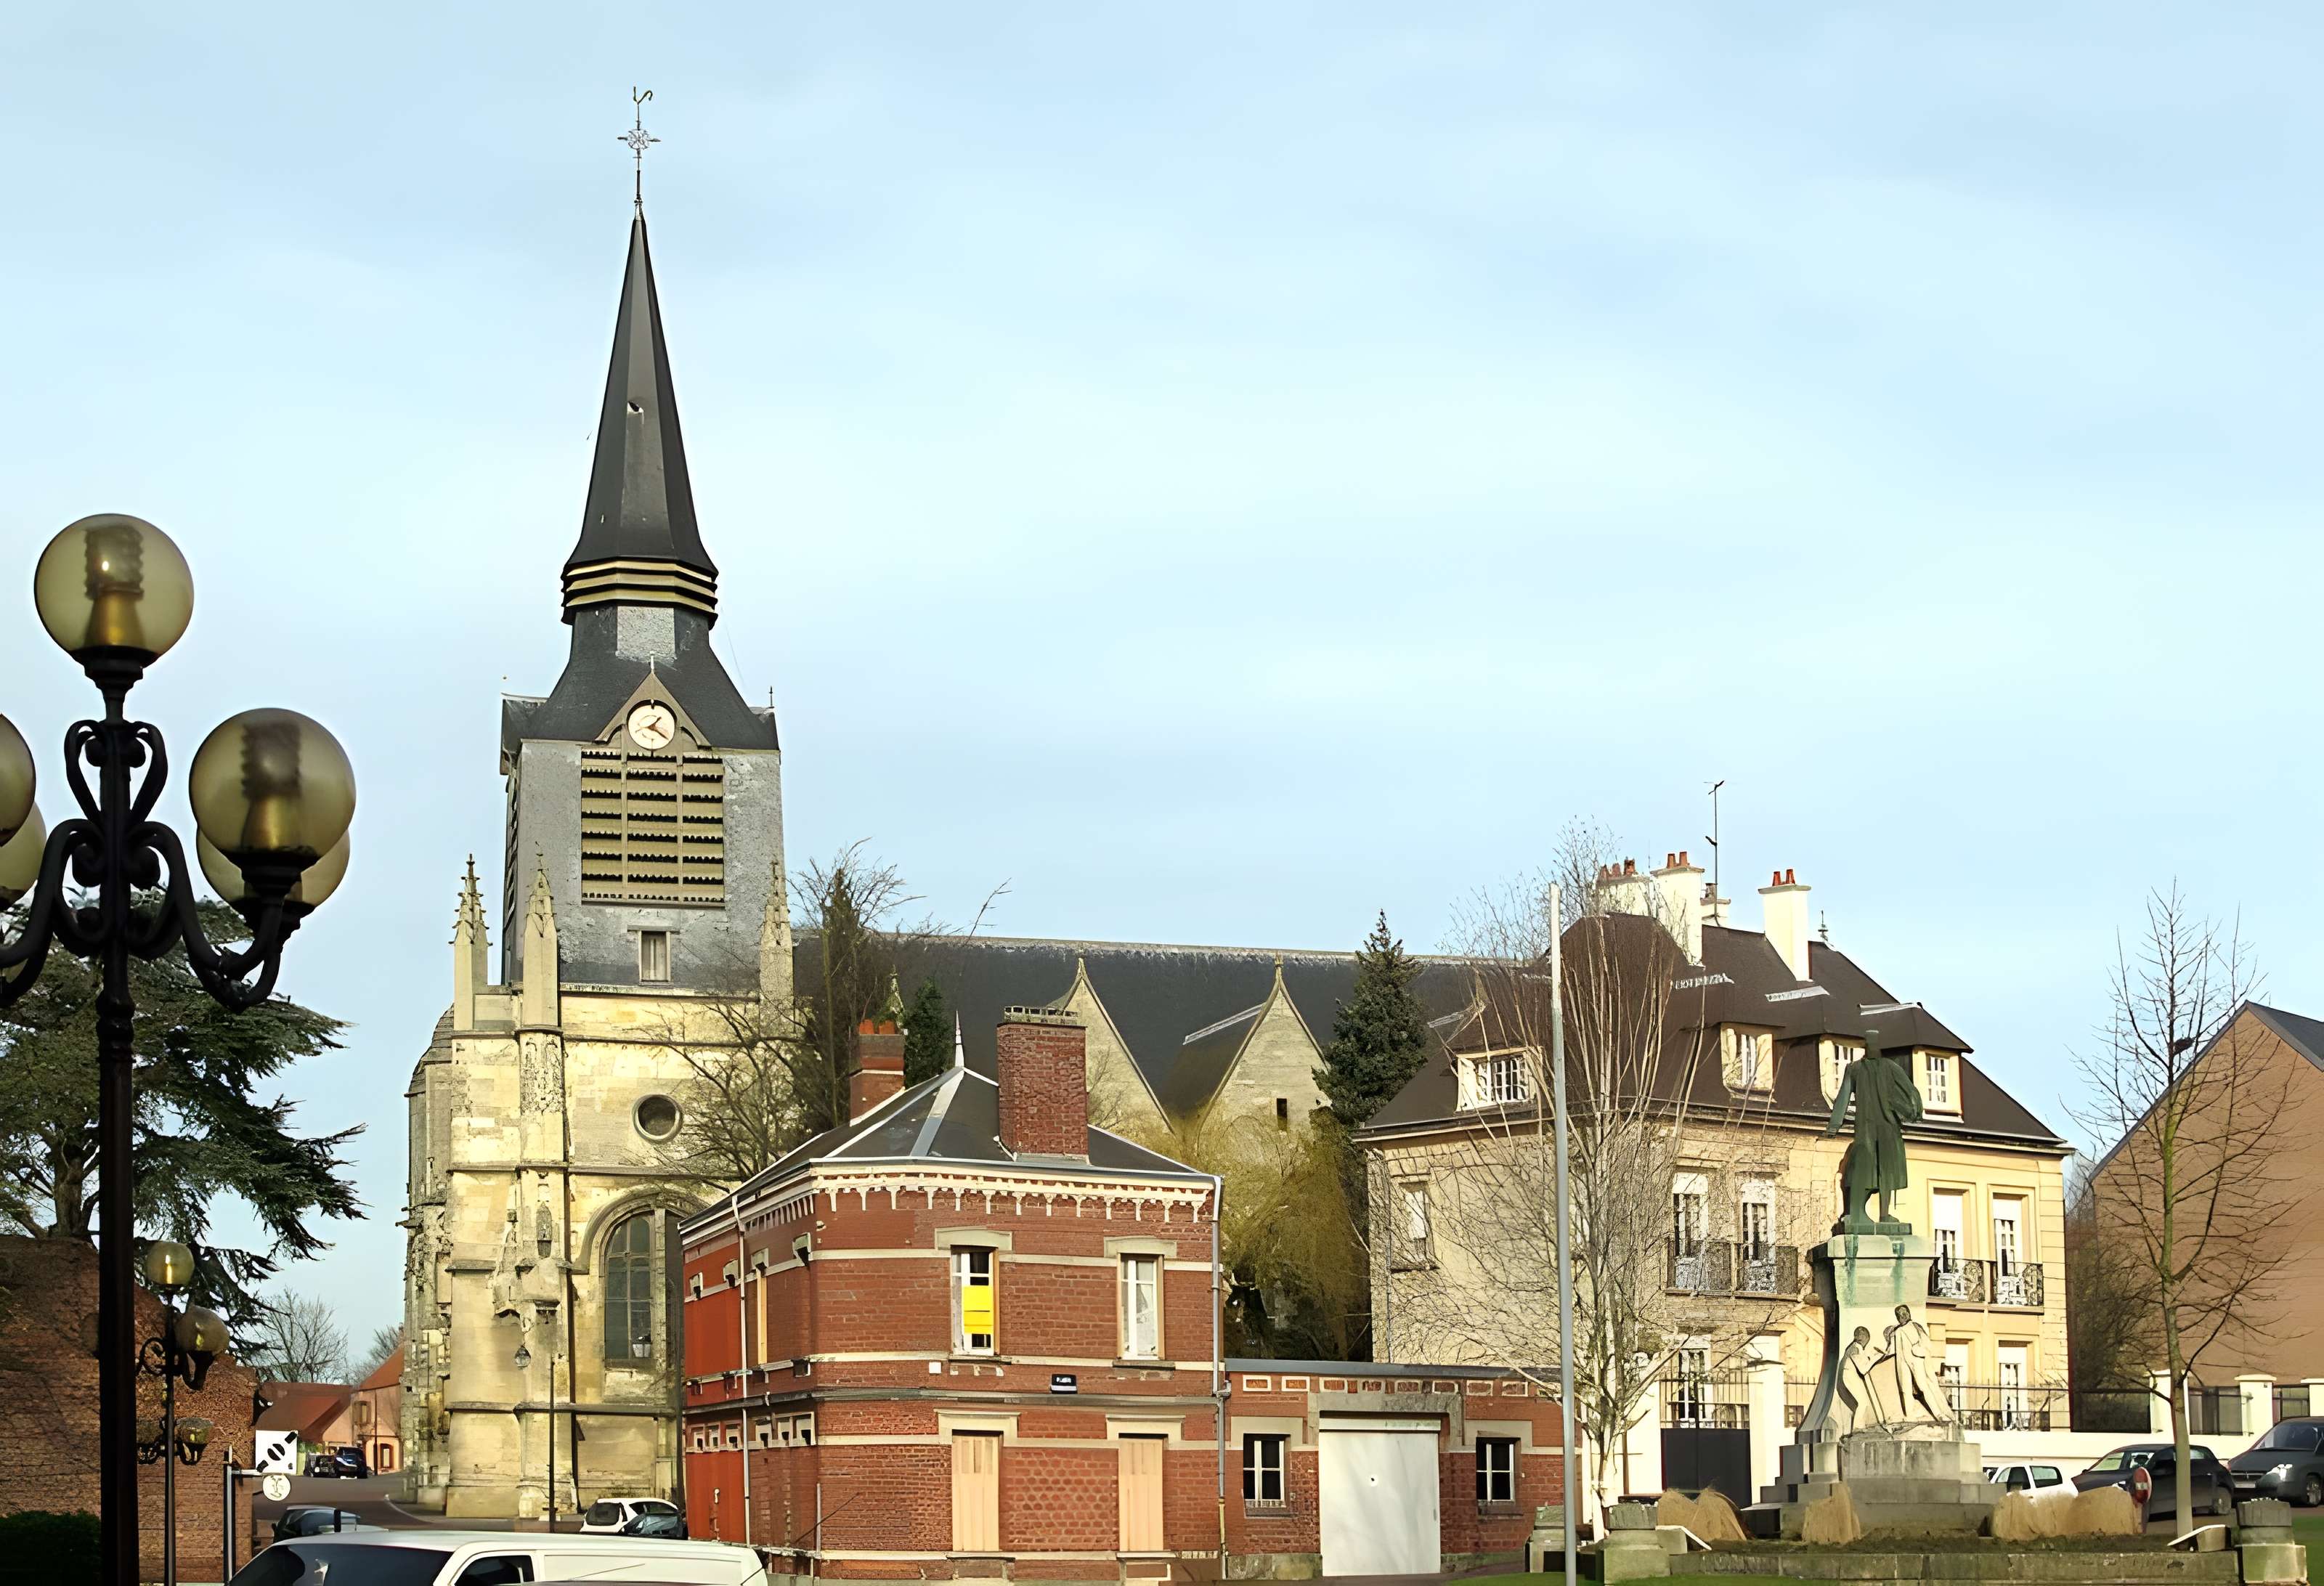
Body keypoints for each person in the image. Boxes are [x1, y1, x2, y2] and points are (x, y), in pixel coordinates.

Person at [1825, 1041, 1922, 1229]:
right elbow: (1911, 1093)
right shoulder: (1886, 1068)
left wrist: (1833, 1127)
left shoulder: (1858, 1069)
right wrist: (1914, 1112)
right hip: (1881, 1127)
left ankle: (1882, 1215)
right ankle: (1866, 1214)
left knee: (1875, 1168)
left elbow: (1843, 1099)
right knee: (1874, 1168)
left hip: (1874, 1127)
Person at [1885, 1304, 1953, 1425]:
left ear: (1909, 1314)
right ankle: (1910, 1416)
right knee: (1905, 1390)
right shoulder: (1897, 1331)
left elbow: (1927, 1343)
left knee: (1924, 1387)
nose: (1903, 1316)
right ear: (1897, 1317)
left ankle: (1939, 1414)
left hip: (1916, 1360)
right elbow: (1892, 1349)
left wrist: (1918, 1349)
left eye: (1904, 1313)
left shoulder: (1916, 1326)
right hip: (1903, 1363)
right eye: (1899, 1314)